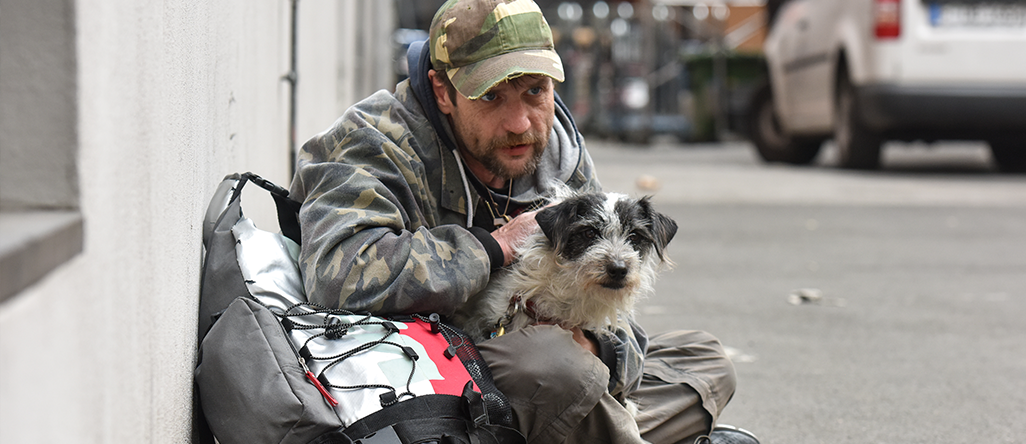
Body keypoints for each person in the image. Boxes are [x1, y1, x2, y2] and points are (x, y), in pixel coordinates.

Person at [289, 1, 757, 443]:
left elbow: (617, 318)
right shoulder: (376, 141)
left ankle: (589, 426)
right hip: (419, 374)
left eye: (535, 91)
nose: (520, 122)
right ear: (442, 91)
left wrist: (600, 352)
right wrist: (495, 246)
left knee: (705, 358)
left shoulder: (556, 149)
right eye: (491, 95)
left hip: (540, 371)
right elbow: (339, 275)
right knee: (556, 369)